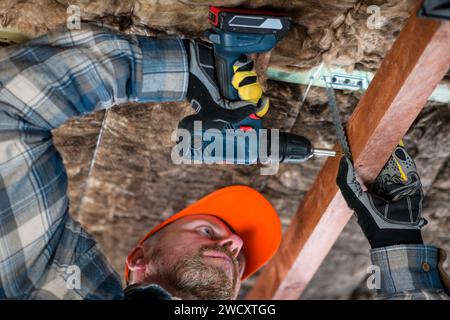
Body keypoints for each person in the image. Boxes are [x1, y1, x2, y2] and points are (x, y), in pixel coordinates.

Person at [0, 23, 448, 300]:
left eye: (208, 230)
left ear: (139, 258)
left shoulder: (47, 283)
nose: (234, 246)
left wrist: (189, 72)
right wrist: (397, 243)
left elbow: (8, 108)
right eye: (241, 255)